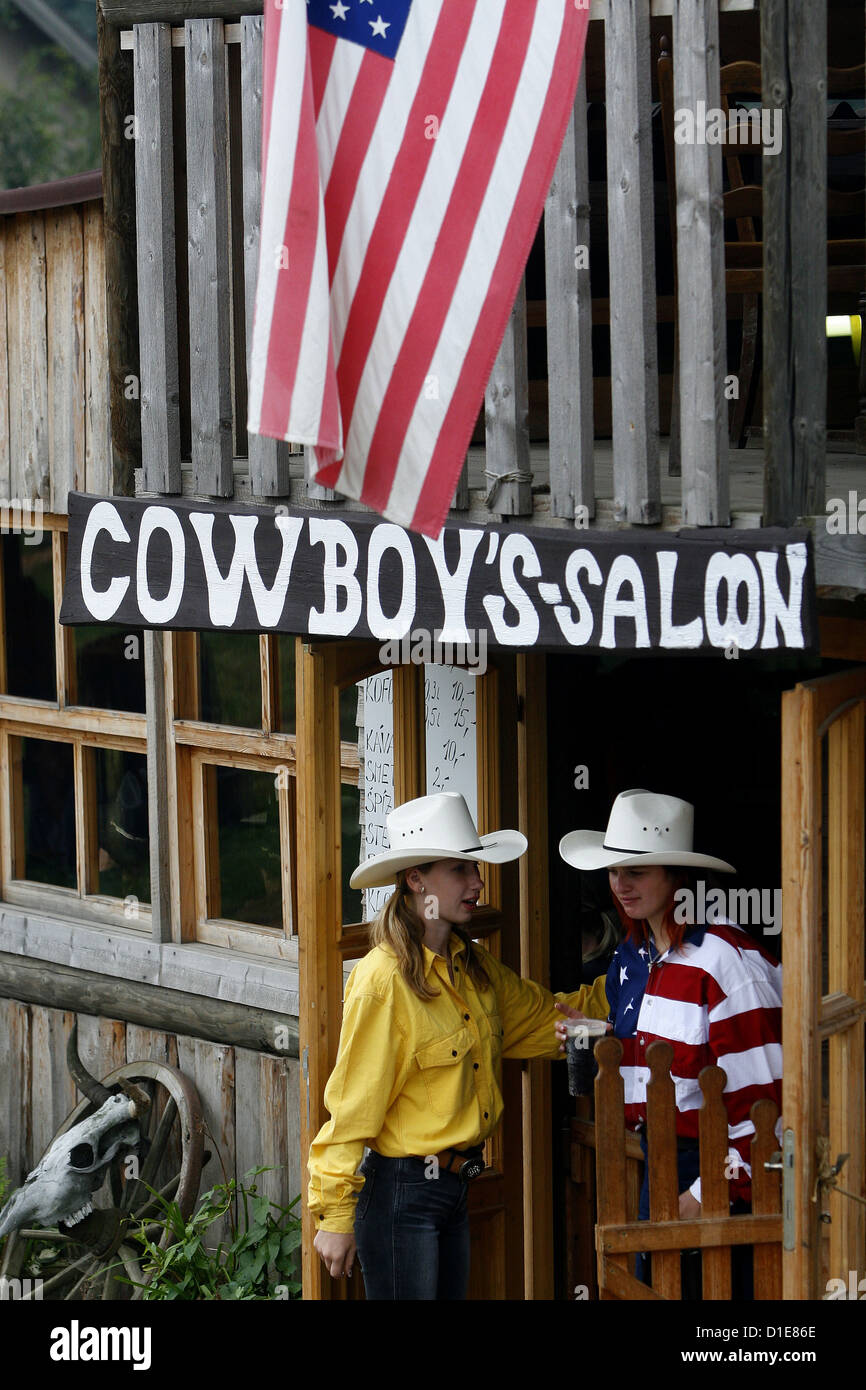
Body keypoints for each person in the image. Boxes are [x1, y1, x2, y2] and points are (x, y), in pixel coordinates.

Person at [308, 791, 609, 1300]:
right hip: (402, 1196)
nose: (477, 882)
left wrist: (638, 982)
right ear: (416, 880)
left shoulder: (472, 965)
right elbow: (352, 1107)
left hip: (454, 1187)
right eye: (459, 870)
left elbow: (544, 1020)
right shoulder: (383, 981)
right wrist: (334, 1213)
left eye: (476, 867)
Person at [557, 788, 782, 1296]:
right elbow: (668, 1061)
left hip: (717, 1174)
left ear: (677, 877)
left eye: (637, 871)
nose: (619, 884)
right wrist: (605, 1039)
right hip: (652, 1162)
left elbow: (768, 1105)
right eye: (613, 870)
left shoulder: (727, 963)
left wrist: (705, 1194)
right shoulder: (632, 958)